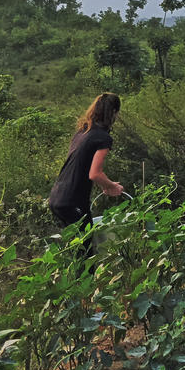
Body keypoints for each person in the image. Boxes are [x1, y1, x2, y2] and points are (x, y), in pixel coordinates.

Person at [48, 92, 125, 254]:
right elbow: (95, 174)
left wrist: (106, 185)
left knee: (76, 250)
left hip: (57, 197)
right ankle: (85, 278)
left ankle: (71, 278)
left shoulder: (82, 132)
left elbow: (81, 166)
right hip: (73, 201)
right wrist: (112, 186)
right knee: (86, 254)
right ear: (114, 113)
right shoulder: (102, 138)